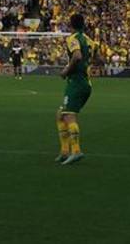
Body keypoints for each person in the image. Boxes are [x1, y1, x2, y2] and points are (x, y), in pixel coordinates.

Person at [56, 13, 96, 166]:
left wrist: (66, 71)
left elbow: (77, 56)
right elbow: (97, 56)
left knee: (68, 116)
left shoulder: (72, 38)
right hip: (86, 83)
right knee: (60, 115)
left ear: (70, 25)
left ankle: (76, 151)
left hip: (76, 83)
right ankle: (65, 151)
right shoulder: (89, 40)